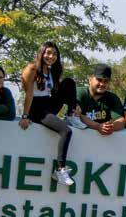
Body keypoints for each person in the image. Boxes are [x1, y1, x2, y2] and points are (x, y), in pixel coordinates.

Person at [19, 41, 85, 186]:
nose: (51, 56)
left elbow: (56, 92)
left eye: (54, 54)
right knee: (66, 131)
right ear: (41, 53)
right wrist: (25, 116)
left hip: (48, 103)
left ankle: (71, 115)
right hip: (36, 108)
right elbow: (29, 94)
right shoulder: (32, 68)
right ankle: (60, 170)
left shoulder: (51, 71)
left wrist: (75, 104)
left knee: (69, 82)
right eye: (48, 53)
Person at [76, 63, 126, 136]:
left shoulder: (112, 98)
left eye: (106, 81)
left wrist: (110, 127)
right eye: (99, 80)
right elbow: (77, 116)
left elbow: (121, 120)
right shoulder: (79, 93)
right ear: (90, 79)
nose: (102, 84)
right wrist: (98, 127)